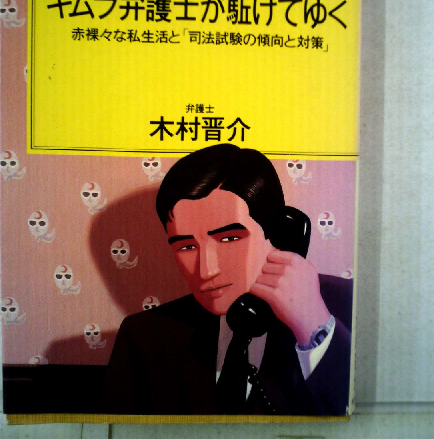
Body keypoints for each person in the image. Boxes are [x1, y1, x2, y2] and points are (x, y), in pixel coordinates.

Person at [102, 144, 352, 415]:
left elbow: (363, 411)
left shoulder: (348, 304)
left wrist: (314, 327)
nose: (206, 271)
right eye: (187, 246)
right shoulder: (143, 336)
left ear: (278, 233)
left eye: (229, 238)